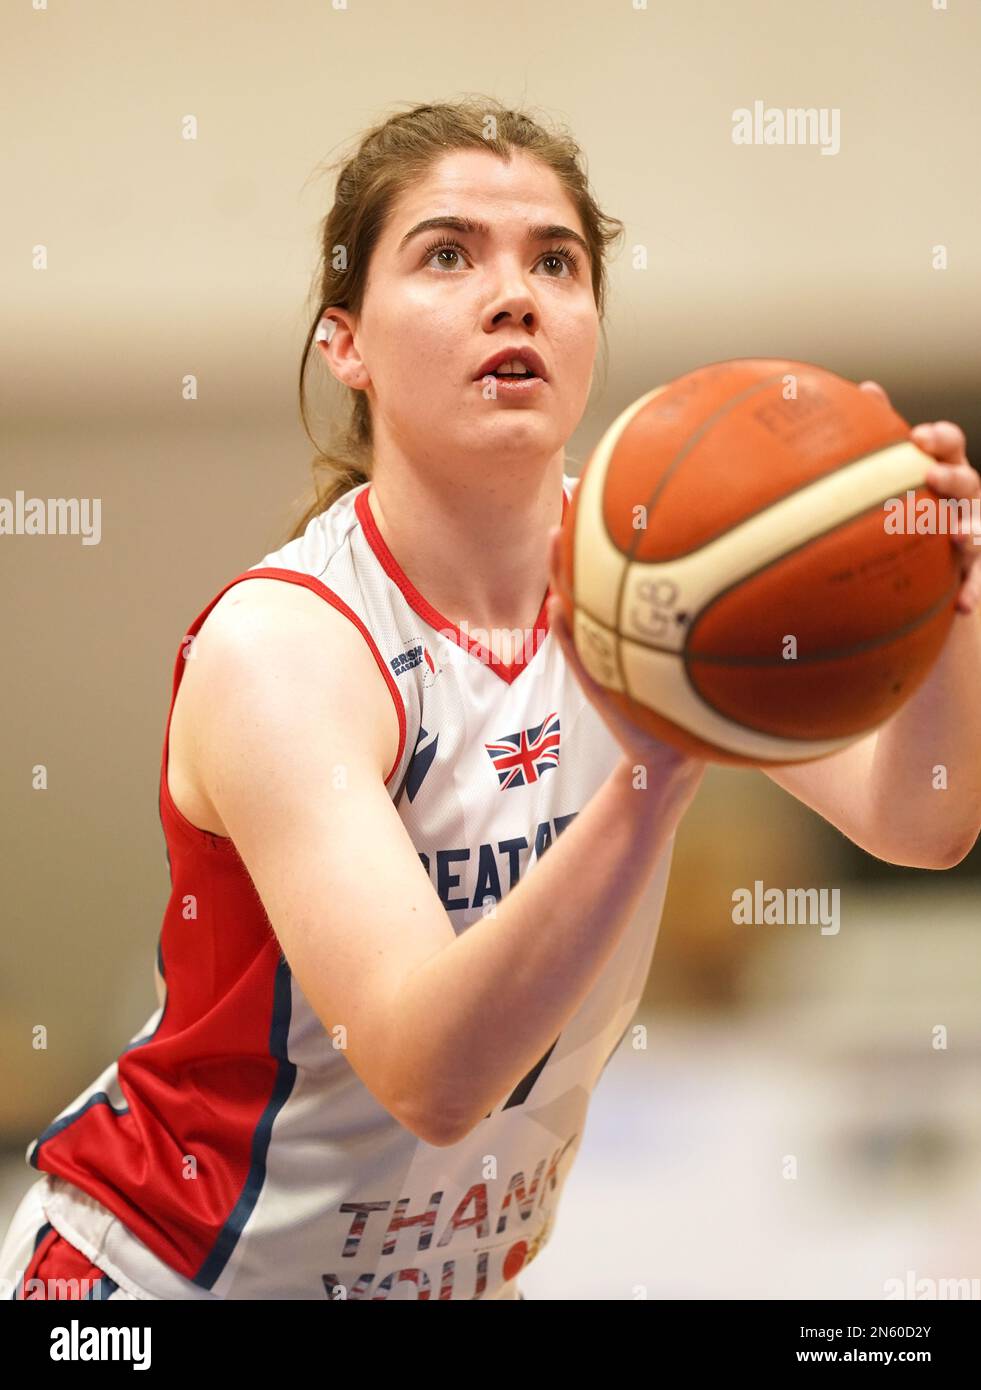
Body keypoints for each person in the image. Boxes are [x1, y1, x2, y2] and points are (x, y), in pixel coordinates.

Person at [3, 96, 977, 1303]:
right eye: (449, 253)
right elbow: (433, 1076)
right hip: (163, 1281)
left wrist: (943, 604)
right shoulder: (288, 648)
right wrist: (654, 773)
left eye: (555, 262)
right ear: (344, 342)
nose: (513, 293)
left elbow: (924, 821)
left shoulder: (662, 572)